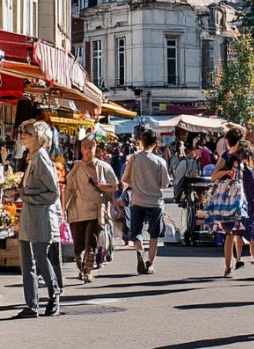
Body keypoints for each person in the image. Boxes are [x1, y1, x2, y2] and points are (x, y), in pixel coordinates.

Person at [14, 121, 62, 319]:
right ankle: (31, 305)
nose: (23, 135)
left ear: (39, 138)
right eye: (23, 132)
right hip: (29, 216)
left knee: (40, 257)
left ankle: (54, 293)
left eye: (28, 133)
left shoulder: (41, 158)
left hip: (40, 217)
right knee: (27, 262)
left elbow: (53, 192)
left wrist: (28, 196)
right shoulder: (32, 157)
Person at [64, 136, 119, 283]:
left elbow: (115, 186)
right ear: (81, 149)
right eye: (85, 147)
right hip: (77, 211)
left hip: (96, 211)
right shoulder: (76, 168)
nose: (88, 150)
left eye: (91, 147)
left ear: (96, 148)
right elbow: (68, 189)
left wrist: (101, 185)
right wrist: (64, 209)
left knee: (91, 244)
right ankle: (81, 269)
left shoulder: (104, 167)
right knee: (78, 247)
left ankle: (87, 271)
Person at [214, 130, 254, 279]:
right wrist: (227, 172)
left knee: (250, 234)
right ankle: (230, 267)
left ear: (229, 141)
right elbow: (214, 176)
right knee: (233, 234)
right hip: (236, 201)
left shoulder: (251, 155)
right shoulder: (227, 156)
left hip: (247, 201)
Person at [122, 128, 172, 275]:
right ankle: (150, 263)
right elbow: (165, 183)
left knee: (136, 232)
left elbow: (125, 178)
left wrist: (136, 182)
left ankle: (140, 251)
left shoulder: (134, 158)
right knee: (154, 235)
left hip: (137, 200)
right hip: (154, 202)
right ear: (156, 143)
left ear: (141, 142)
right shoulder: (160, 161)